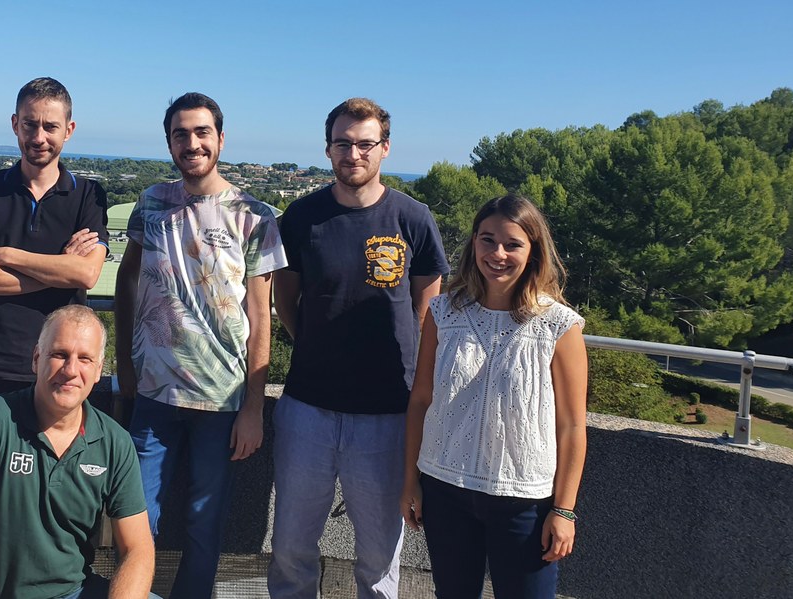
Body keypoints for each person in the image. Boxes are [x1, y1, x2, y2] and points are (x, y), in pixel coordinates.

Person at [269, 97, 450, 598]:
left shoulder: (412, 218)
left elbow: (425, 308)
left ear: (385, 149)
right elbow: (286, 295)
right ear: (328, 149)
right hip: (307, 407)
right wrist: (305, 338)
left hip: (387, 413)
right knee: (290, 546)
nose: (354, 153)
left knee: (378, 555)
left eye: (365, 143)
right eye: (343, 143)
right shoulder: (302, 217)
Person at [113, 92, 287, 598]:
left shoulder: (255, 216)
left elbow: (260, 315)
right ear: (169, 142)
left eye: (202, 132)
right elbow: (126, 283)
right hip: (152, 395)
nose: (192, 143)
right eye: (181, 134)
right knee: (134, 518)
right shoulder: (150, 203)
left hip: (221, 401)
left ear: (220, 139)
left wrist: (254, 407)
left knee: (203, 527)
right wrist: (124, 363)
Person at [401, 194, 588, 598]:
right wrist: (410, 480)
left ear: (534, 250)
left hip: (524, 503)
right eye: (487, 240)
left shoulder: (558, 325)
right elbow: (420, 400)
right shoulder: (443, 312)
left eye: (512, 244)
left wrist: (563, 510)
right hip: (444, 488)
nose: (497, 253)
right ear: (473, 243)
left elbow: (572, 425)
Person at [0, 305, 155, 599]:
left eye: (84, 359)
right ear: (36, 359)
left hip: (72, 592)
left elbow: (138, 550)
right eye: (59, 354)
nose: (70, 371)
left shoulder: (115, 441)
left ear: (97, 371)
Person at [0, 76, 109, 425]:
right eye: (30, 124)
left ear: (69, 130)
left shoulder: (88, 197)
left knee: (45, 479)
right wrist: (59, 269)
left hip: (58, 371)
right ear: (14, 125)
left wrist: (7, 255)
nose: (39, 137)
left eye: (50, 126)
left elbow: (86, 274)